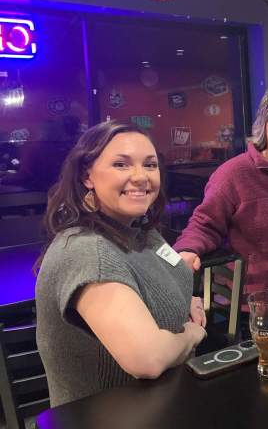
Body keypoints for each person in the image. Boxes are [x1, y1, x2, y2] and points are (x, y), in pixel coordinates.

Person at [35, 121, 207, 407]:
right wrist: (191, 334)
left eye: (150, 165)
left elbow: (157, 278)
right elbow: (148, 358)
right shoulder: (88, 250)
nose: (141, 177)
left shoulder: (142, 231)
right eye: (121, 165)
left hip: (165, 405)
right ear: (86, 175)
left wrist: (181, 300)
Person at [173, 90, 268, 324]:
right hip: (254, 303)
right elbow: (204, 223)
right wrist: (188, 249)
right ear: (263, 125)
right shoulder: (233, 173)